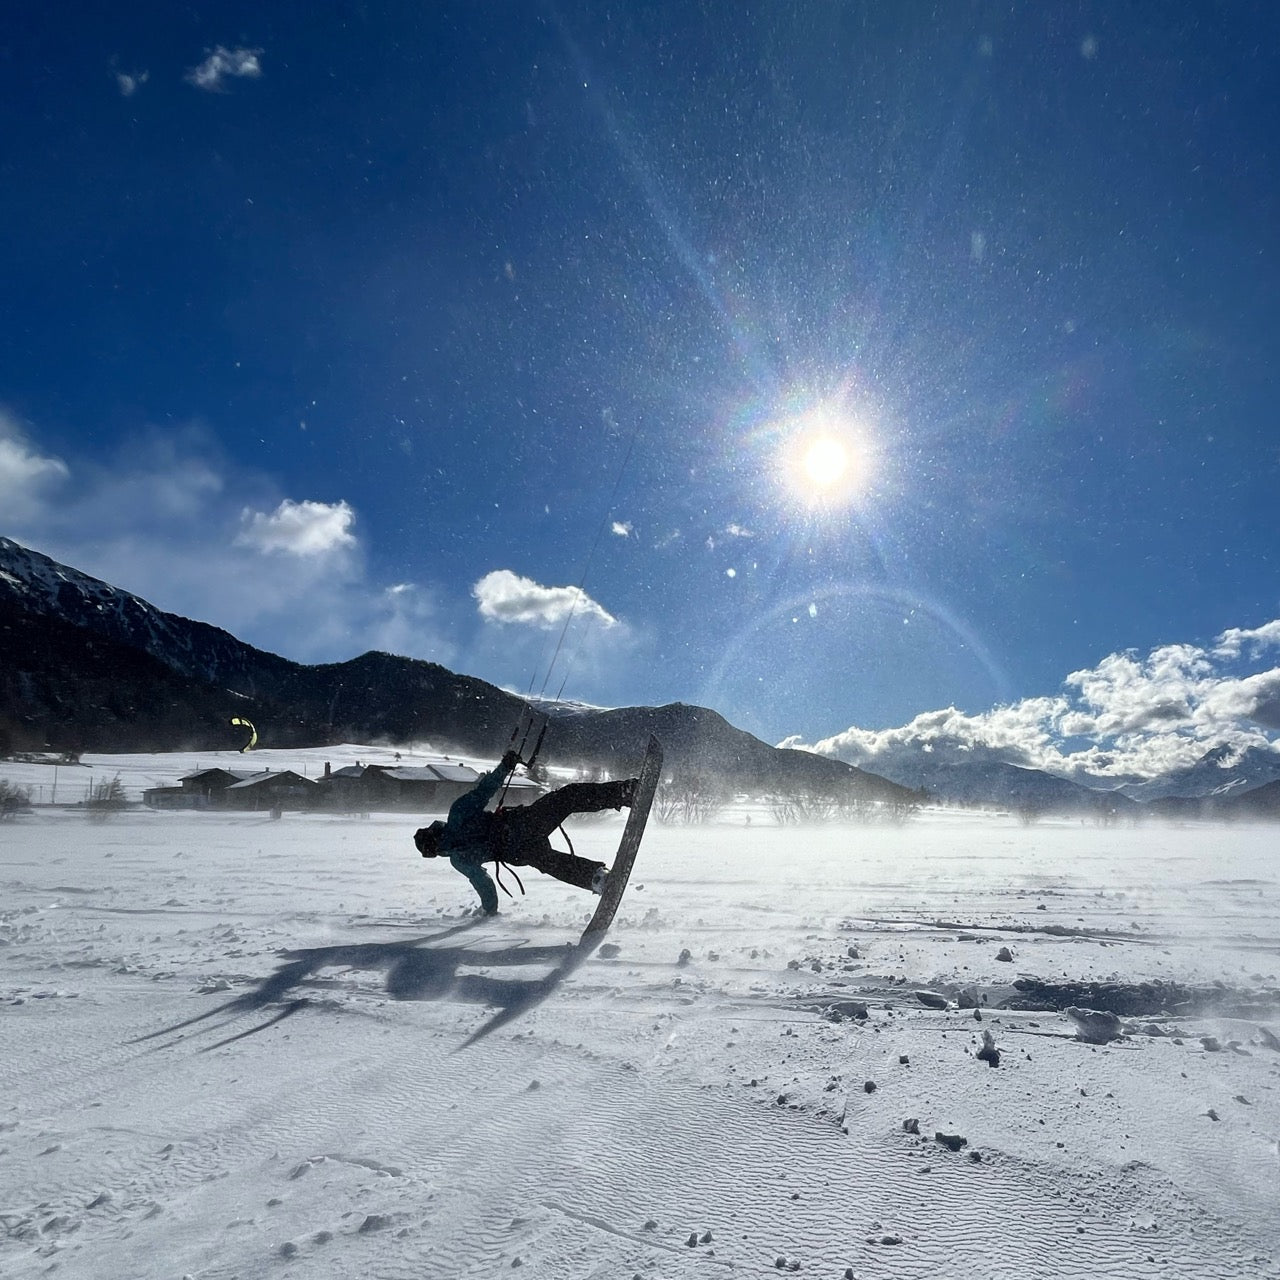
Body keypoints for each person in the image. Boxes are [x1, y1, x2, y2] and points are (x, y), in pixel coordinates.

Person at [414, 750, 638, 914]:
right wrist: (505, 766)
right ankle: (624, 792)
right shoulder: (457, 814)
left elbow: (484, 885)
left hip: (516, 852)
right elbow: (485, 790)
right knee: (566, 798)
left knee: (550, 862)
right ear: (434, 829)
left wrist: (489, 910)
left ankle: (597, 879)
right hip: (521, 824)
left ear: (434, 852)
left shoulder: (458, 860)